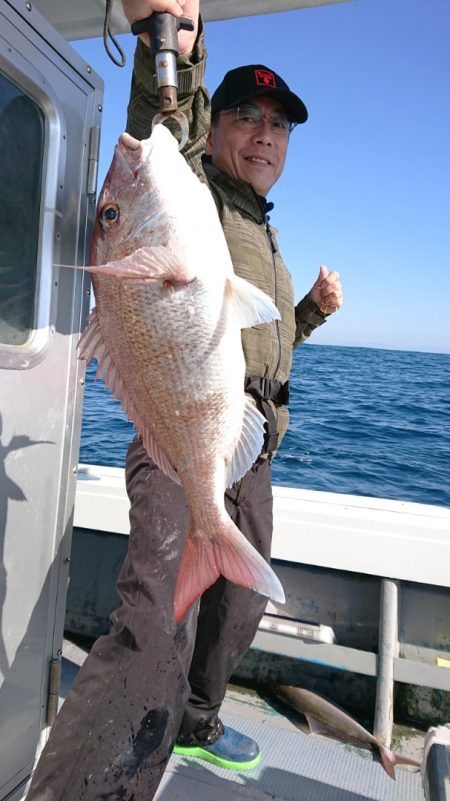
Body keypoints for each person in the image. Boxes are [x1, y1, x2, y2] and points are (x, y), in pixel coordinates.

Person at [25, 1, 343, 799]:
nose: (265, 134)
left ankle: (198, 724)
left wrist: (305, 314)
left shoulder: (257, 226)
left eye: (280, 125)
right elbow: (165, 120)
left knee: (237, 611)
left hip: (245, 435)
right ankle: (87, 786)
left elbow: (253, 344)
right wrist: (172, 41)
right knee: (154, 624)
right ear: (219, 129)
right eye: (247, 116)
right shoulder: (190, 188)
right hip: (183, 434)